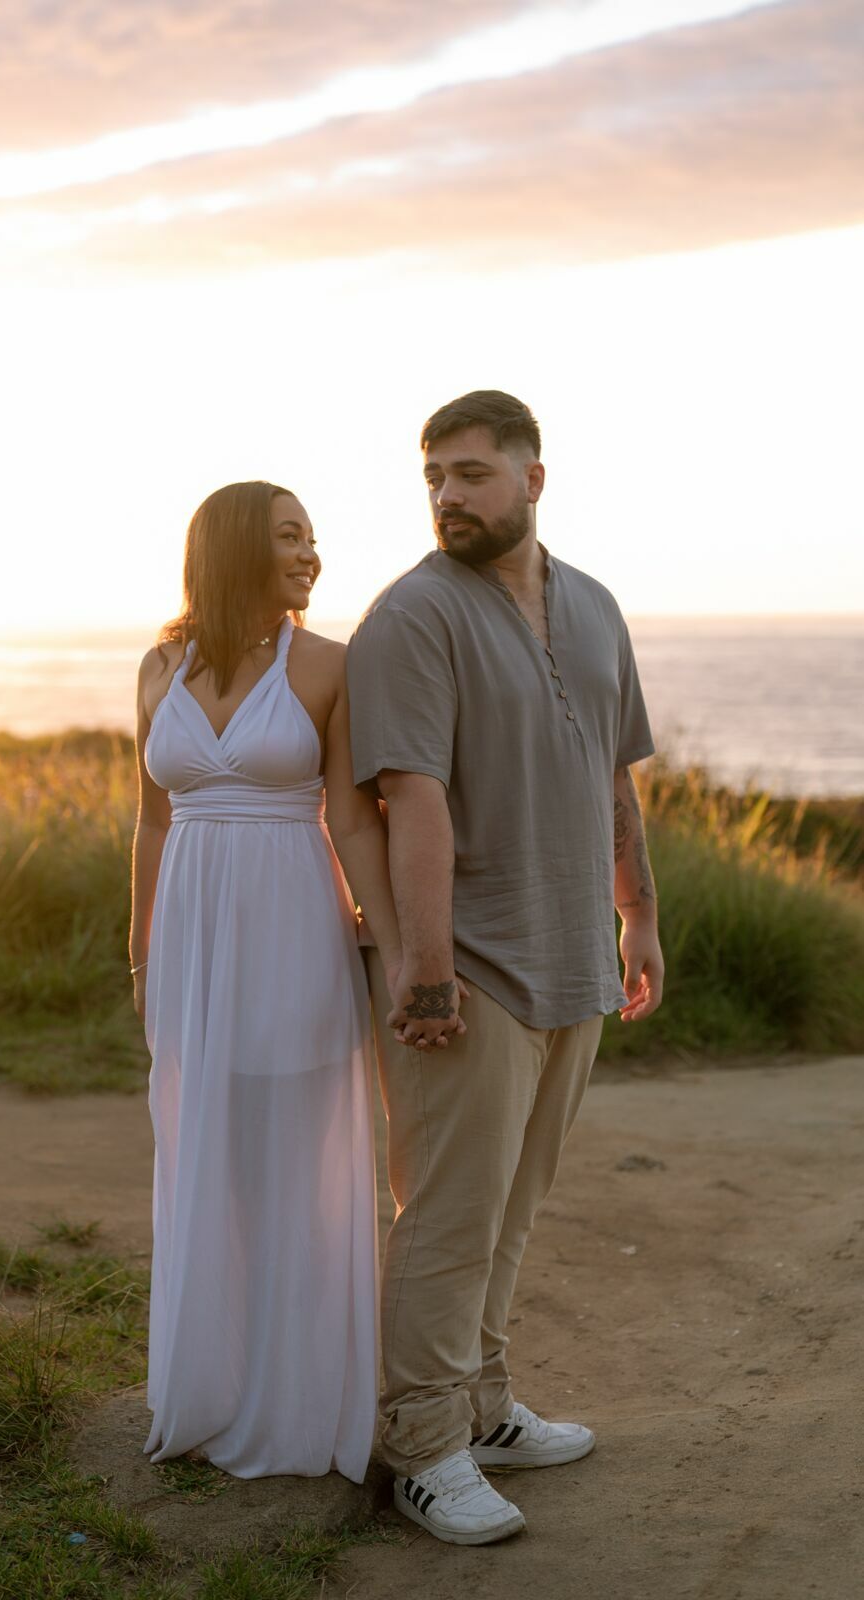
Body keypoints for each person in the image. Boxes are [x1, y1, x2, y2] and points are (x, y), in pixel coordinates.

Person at [347, 389, 664, 1544]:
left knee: (513, 1208)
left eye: (470, 472)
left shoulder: (595, 606)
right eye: (434, 474)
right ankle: (423, 1445)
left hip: (574, 957)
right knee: (447, 1215)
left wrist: (637, 915)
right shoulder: (412, 616)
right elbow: (410, 800)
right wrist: (426, 971)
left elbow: (612, 777)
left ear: (532, 479)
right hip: (470, 969)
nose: (446, 494)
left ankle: (481, 1405)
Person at [129, 479, 400, 1483]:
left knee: (294, 1157)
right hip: (190, 941)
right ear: (236, 546)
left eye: (313, 538)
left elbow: (355, 819)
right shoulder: (159, 667)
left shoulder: (328, 664)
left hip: (294, 927)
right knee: (207, 1155)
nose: (311, 554)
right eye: (290, 536)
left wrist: (401, 949)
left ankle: (298, 1401)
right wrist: (141, 953)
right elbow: (153, 820)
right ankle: (213, 1383)